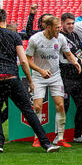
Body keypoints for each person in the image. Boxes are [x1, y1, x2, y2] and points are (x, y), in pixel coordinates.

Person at [0, 10, 59, 153]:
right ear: (6, 19)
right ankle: (46, 144)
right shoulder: (14, 35)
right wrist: (31, 81)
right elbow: (24, 61)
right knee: (28, 111)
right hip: (12, 79)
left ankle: (0, 144)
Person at [26, 16, 81, 148]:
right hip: (39, 77)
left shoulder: (60, 38)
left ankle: (60, 138)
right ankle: (37, 138)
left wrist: (75, 62)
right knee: (38, 106)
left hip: (56, 76)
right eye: (57, 28)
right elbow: (27, 60)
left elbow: (68, 54)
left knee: (60, 106)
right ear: (48, 27)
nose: (59, 30)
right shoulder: (35, 39)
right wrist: (41, 71)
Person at [60, 13, 82, 144]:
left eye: (73, 23)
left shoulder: (74, 35)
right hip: (66, 76)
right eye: (68, 23)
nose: (71, 26)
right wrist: (79, 59)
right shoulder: (59, 36)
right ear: (62, 23)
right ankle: (59, 136)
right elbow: (66, 53)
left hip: (78, 77)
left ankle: (78, 135)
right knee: (64, 106)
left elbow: (81, 47)